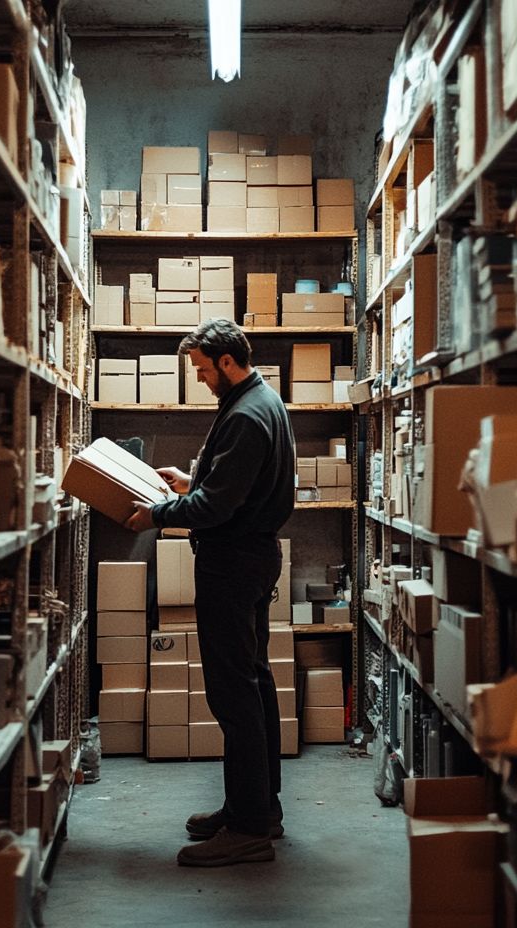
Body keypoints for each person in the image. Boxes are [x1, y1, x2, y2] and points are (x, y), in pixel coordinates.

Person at [125, 318, 295, 867]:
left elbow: (218, 508)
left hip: (233, 563)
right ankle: (256, 808)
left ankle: (249, 828)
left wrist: (155, 512)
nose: (199, 379)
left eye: (201, 369)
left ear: (226, 360)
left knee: (233, 693)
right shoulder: (260, 399)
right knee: (255, 683)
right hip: (249, 557)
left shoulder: (247, 414)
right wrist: (191, 482)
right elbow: (229, 486)